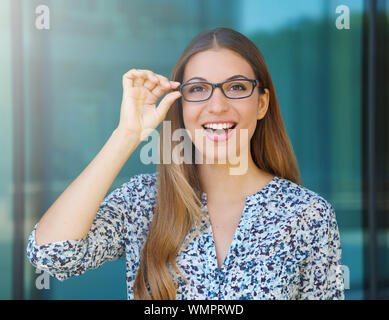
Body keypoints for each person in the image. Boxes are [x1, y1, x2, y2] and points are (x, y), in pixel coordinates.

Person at [26, 27, 344, 300]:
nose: (217, 106)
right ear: (181, 106)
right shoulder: (143, 201)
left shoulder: (307, 214)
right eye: (198, 89)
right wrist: (126, 134)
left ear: (261, 103)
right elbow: (51, 255)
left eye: (236, 87)